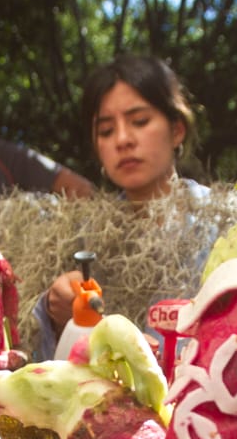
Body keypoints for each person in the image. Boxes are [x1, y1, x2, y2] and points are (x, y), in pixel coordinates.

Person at [34, 54, 214, 361]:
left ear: (177, 130)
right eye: (105, 131)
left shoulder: (223, 221)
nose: (122, 139)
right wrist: (54, 311)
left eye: (140, 121)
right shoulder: (82, 234)